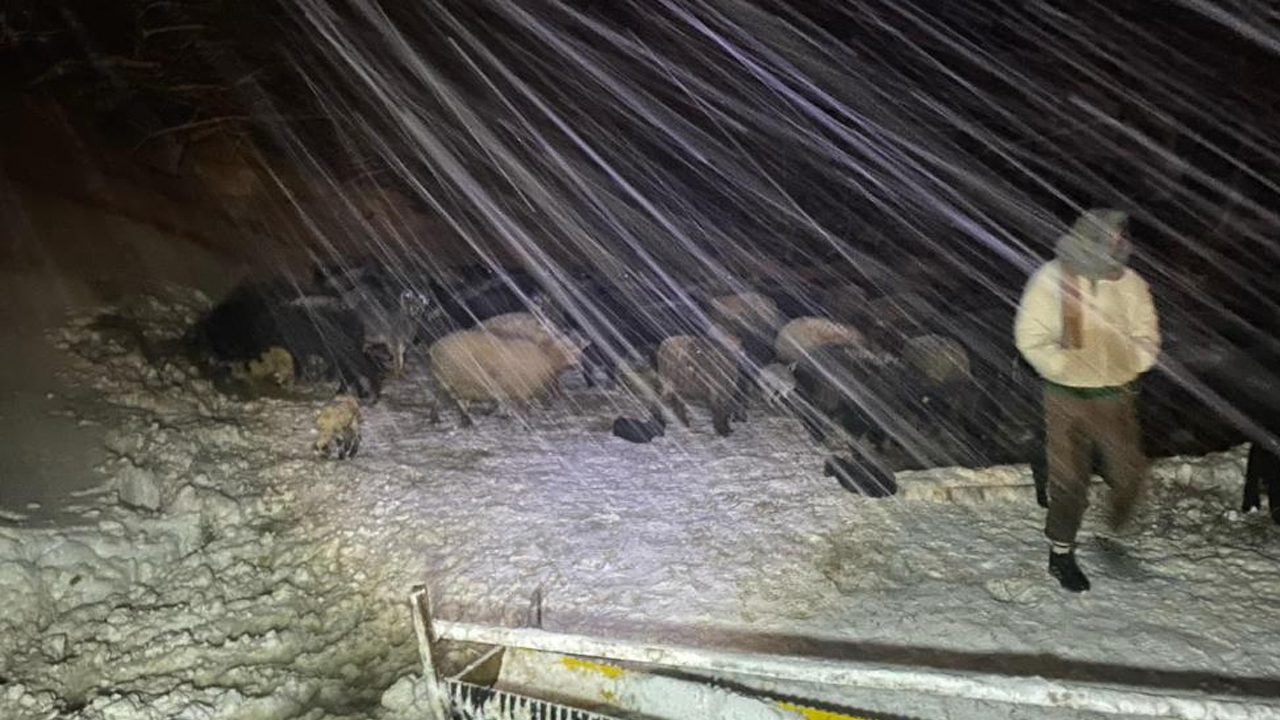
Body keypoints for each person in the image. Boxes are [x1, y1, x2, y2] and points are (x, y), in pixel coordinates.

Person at [1014, 209, 1161, 592]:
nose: (1115, 245)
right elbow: (1030, 335)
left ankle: (1114, 526)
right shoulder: (1051, 279)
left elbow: (1147, 335)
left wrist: (1132, 360)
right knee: (1069, 483)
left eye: (1119, 238)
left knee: (1130, 474)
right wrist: (1062, 364)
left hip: (1116, 398)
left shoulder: (1131, 284)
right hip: (1065, 398)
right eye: (1107, 238)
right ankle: (1061, 554)